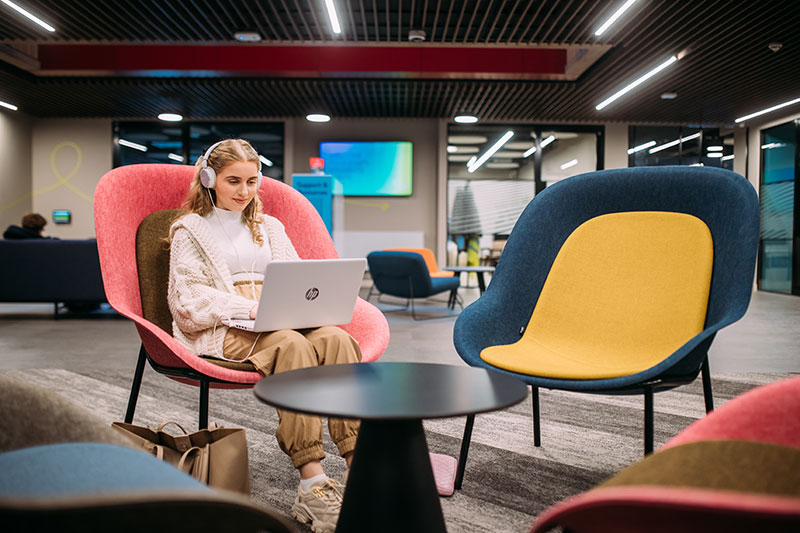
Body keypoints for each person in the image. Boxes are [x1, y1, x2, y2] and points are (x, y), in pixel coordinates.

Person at [167, 138, 361, 533]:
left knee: (337, 340)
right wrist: (248, 309)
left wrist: (301, 303)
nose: (244, 191)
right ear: (209, 179)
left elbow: (294, 274)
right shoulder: (190, 230)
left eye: (252, 182)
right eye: (233, 181)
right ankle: (312, 482)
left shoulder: (269, 226)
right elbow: (188, 300)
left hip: (280, 314)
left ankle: (361, 466)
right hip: (223, 326)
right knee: (291, 345)